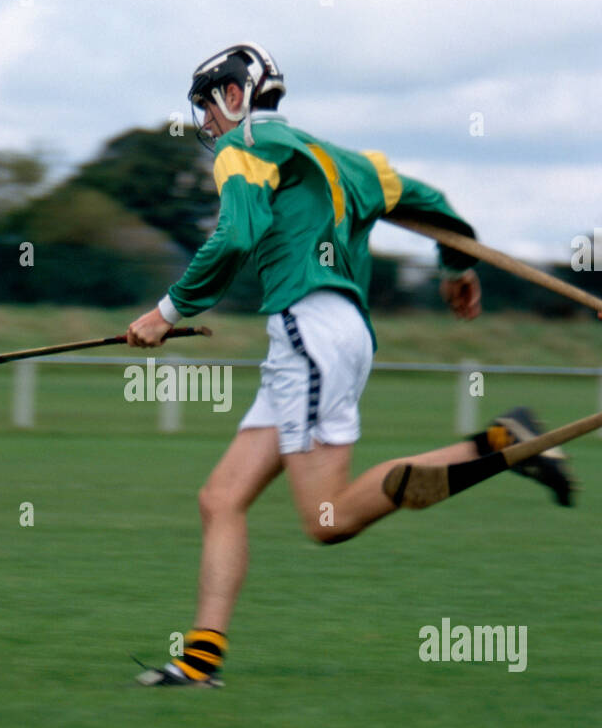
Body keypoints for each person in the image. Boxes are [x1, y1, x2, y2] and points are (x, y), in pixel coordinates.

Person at [127, 43, 573, 687]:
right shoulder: (347, 161)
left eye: (207, 108)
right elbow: (430, 201)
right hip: (336, 334)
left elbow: (237, 234)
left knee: (325, 519)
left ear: (232, 95)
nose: (207, 126)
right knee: (221, 497)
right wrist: (458, 264)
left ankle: (501, 442)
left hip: (306, 330)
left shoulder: (244, 146)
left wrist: (166, 312)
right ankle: (199, 662)